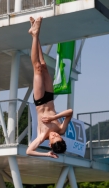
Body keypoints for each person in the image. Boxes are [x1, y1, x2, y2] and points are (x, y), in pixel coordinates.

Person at [26, 16, 73, 158]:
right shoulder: (61, 129)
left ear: (49, 144)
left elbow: (29, 151)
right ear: (62, 138)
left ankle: (35, 34)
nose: (53, 134)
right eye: (57, 137)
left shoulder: (42, 136)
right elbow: (70, 112)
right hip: (50, 98)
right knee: (44, 66)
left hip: (40, 100)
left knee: (37, 68)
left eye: (53, 138)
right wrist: (56, 117)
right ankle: (35, 33)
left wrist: (47, 154)